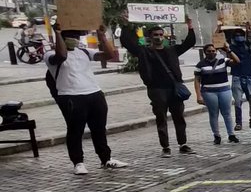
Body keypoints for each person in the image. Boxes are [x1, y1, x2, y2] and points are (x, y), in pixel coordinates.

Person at [47, 24, 127, 174]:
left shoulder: (84, 52)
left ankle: (106, 159)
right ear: (63, 38)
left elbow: (109, 55)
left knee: (99, 129)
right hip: (71, 96)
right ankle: (78, 162)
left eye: (76, 36)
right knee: (75, 131)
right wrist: (57, 33)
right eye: (70, 36)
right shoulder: (49, 55)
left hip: (94, 93)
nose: (74, 39)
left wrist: (102, 36)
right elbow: (61, 56)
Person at [120, 21, 196, 157]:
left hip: (174, 88)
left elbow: (189, 43)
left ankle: (183, 144)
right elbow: (128, 43)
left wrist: (190, 27)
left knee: (179, 117)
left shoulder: (172, 50)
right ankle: (165, 147)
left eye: (161, 34)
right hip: (157, 89)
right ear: (150, 37)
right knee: (161, 118)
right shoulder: (145, 52)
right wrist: (125, 25)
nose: (159, 37)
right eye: (155, 35)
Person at [193, 43, 241, 145]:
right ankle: (216, 135)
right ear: (205, 52)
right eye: (209, 51)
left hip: (224, 90)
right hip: (209, 92)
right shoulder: (200, 65)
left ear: (216, 51)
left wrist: (228, 50)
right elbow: (197, 80)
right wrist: (198, 95)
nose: (211, 53)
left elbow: (237, 61)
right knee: (213, 114)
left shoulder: (223, 61)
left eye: (213, 51)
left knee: (227, 113)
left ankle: (231, 134)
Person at [225, 27, 251, 130]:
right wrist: (219, 28)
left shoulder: (249, 47)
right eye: (237, 36)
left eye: (241, 35)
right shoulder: (231, 48)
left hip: (249, 76)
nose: (239, 37)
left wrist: (249, 30)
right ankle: (238, 123)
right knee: (238, 101)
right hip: (237, 76)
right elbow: (218, 42)